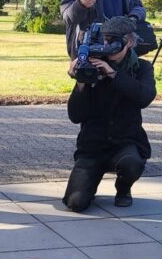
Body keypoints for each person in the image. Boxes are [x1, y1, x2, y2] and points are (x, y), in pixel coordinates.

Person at [63, 16, 155, 212]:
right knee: (76, 202)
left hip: (125, 141)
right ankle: (89, 183)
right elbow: (75, 115)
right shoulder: (92, 66)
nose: (107, 45)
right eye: (105, 39)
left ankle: (123, 188)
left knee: (132, 163)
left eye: (113, 40)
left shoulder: (141, 68)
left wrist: (113, 74)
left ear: (129, 41)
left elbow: (145, 97)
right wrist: (81, 82)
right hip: (93, 146)